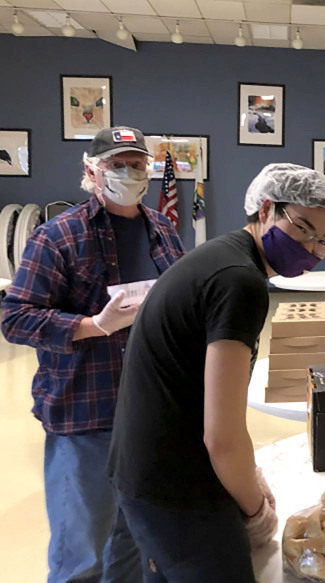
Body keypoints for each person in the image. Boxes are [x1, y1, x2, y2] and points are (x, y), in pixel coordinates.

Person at [106, 163, 325, 581]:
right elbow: (221, 435)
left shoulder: (220, 255)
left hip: (140, 466)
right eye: (302, 228)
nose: (312, 247)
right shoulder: (240, 282)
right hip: (177, 486)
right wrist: (255, 507)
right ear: (266, 211)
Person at [1, 126, 184, 583]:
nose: (130, 172)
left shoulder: (162, 229)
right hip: (86, 414)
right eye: (117, 164)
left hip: (150, 411)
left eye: (137, 163)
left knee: (138, 541)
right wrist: (92, 326)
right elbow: (14, 317)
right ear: (91, 170)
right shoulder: (57, 236)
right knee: (82, 550)